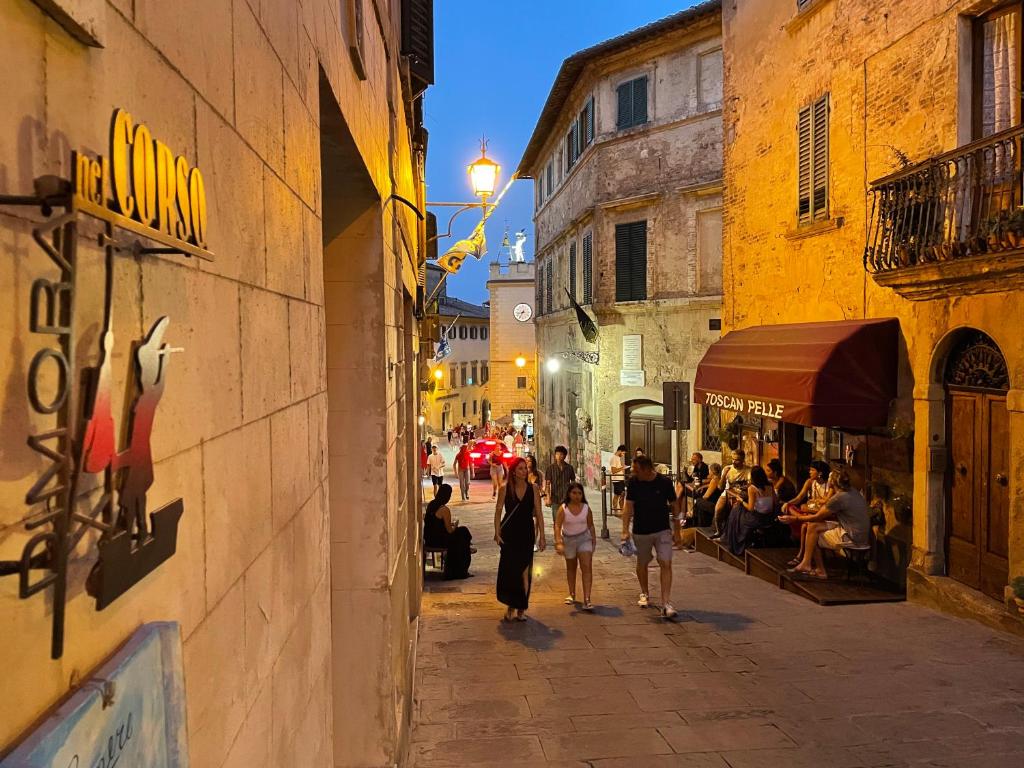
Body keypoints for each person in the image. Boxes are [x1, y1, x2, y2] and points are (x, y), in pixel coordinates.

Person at [782, 469, 870, 580]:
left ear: (831, 483)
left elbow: (817, 516)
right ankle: (807, 563)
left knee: (813, 534)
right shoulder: (853, 491)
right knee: (812, 526)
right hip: (860, 534)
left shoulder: (838, 498)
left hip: (852, 537)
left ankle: (817, 569)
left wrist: (794, 518)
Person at [622, 455, 679, 619]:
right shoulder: (633, 483)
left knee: (665, 562)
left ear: (647, 469)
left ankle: (666, 603)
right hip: (641, 530)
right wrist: (625, 529)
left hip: (662, 529)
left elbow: (674, 505)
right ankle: (644, 592)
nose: (633, 472)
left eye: (636, 470)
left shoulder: (665, 482)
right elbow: (628, 507)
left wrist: (678, 529)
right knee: (642, 563)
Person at [495, 458, 546, 621]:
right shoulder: (505, 488)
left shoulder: (534, 488)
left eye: (525, 468)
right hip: (509, 533)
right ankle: (511, 604)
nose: (525, 471)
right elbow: (498, 512)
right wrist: (497, 532)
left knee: (525, 569)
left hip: (526, 532)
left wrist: (542, 536)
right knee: (511, 570)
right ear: (514, 471)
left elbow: (538, 513)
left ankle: (522, 607)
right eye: (521, 469)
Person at [554, 482, 597, 610]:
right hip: (569, 540)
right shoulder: (563, 509)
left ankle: (587, 599)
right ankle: (572, 593)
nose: (577, 496)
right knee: (571, 567)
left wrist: (593, 539)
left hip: (584, 538)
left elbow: (590, 524)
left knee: (586, 567)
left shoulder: (586, 508)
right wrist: (558, 541)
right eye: (574, 493)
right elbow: (557, 525)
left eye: (579, 493)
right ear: (569, 494)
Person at [782, 460, 834, 565]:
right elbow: (799, 497)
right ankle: (803, 518)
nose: (809, 472)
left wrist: (809, 506)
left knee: (805, 525)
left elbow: (826, 504)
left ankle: (801, 555)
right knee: (790, 507)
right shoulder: (810, 482)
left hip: (822, 514)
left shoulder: (830, 485)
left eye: (812, 470)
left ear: (820, 473)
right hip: (811, 512)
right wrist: (787, 503)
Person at [722, 465, 777, 556]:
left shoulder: (752, 488)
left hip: (758, 518)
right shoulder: (770, 484)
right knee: (738, 510)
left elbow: (751, 508)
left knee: (736, 511)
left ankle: (735, 542)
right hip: (769, 516)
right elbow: (775, 501)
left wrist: (741, 500)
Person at [424, 484, 473, 579]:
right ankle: (462, 565)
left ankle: (467, 545)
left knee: (462, 533)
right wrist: (455, 526)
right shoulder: (444, 509)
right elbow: (450, 531)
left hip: (430, 538)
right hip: (439, 541)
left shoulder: (431, 504)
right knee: (463, 532)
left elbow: (436, 524)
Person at [711, 449, 751, 539]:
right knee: (718, 509)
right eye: (732, 459)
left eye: (737, 460)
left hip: (741, 494)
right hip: (727, 492)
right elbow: (720, 487)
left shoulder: (748, 470)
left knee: (736, 511)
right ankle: (719, 531)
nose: (734, 462)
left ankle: (733, 534)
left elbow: (749, 486)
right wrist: (724, 475)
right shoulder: (727, 469)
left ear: (742, 460)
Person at [544, 446, 576, 529]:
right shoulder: (550, 468)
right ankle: (557, 539)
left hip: (566, 498)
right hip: (555, 498)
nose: (559, 456)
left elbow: (573, 483)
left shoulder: (569, 468)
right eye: (557, 454)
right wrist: (547, 497)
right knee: (556, 520)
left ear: (565, 456)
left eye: (561, 454)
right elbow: (547, 484)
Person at [691, 463, 723, 528]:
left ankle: (694, 518)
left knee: (698, 501)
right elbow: (712, 486)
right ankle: (698, 523)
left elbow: (706, 497)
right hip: (717, 503)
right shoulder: (719, 478)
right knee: (700, 507)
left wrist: (700, 500)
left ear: (712, 471)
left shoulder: (714, 480)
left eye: (709, 470)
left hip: (713, 506)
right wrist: (703, 487)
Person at [608, 445, 628, 514]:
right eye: (623, 453)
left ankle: (619, 510)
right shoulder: (614, 458)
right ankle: (617, 510)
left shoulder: (617, 458)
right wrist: (622, 468)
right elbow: (613, 471)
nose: (623, 455)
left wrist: (622, 467)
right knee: (618, 495)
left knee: (620, 494)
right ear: (619, 451)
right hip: (617, 480)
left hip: (620, 479)